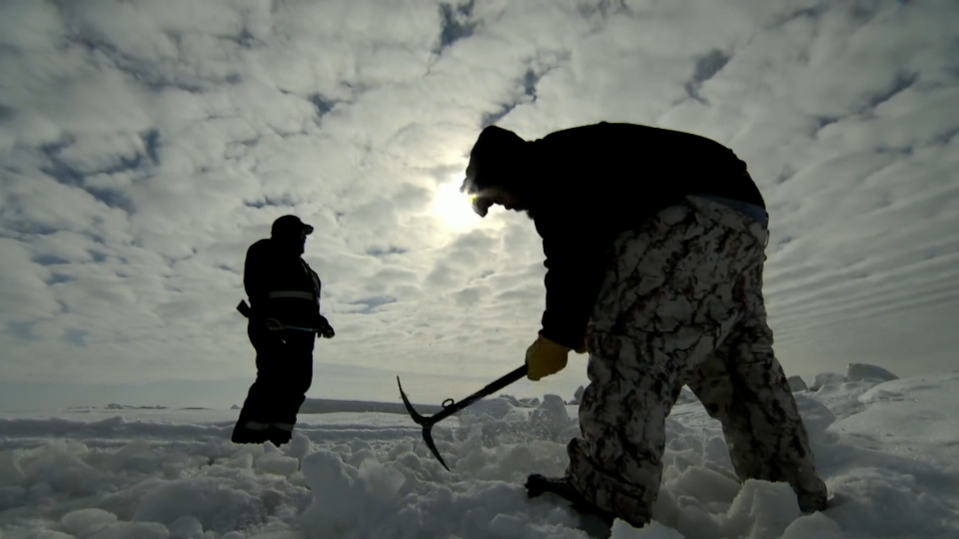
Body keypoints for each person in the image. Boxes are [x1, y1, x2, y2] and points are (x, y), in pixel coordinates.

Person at [460, 122, 828, 528]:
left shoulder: (548, 167)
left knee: (627, 342)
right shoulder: (583, 158)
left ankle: (609, 489)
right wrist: (575, 325)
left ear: (505, 171)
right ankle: (790, 491)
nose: (504, 208)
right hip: (743, 217)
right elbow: (597, 251)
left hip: (687, 212)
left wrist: (557, 336)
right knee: (734, 358)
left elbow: (572, 257)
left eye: (495, 199)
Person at [231, 215, 335, 446]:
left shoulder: (308, 272)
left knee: (298, 382)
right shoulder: (265, 250)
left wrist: (321, 323)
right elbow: (254, 285)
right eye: (301, 234)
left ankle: (278, 439)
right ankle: (247, 441)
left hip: (302, 335)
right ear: (288, 233)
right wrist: (265, 313)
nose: (304, 240)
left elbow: (308, 306)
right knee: (272, 378)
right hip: (271, 328)